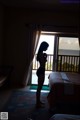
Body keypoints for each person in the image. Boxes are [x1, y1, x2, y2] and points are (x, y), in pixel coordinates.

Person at [36, 41, 49, 108]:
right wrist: (45, 56)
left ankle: (38, 101)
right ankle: (37, 103)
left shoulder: (41, 53)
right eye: (46, 47)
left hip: (41, 70)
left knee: (40, 87)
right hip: (41, 71)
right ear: (44, 47)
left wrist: (44, 57)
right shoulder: (41, 54)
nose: (47, 48)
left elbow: (43, 62)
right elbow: (43, 63)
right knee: (39, 88)